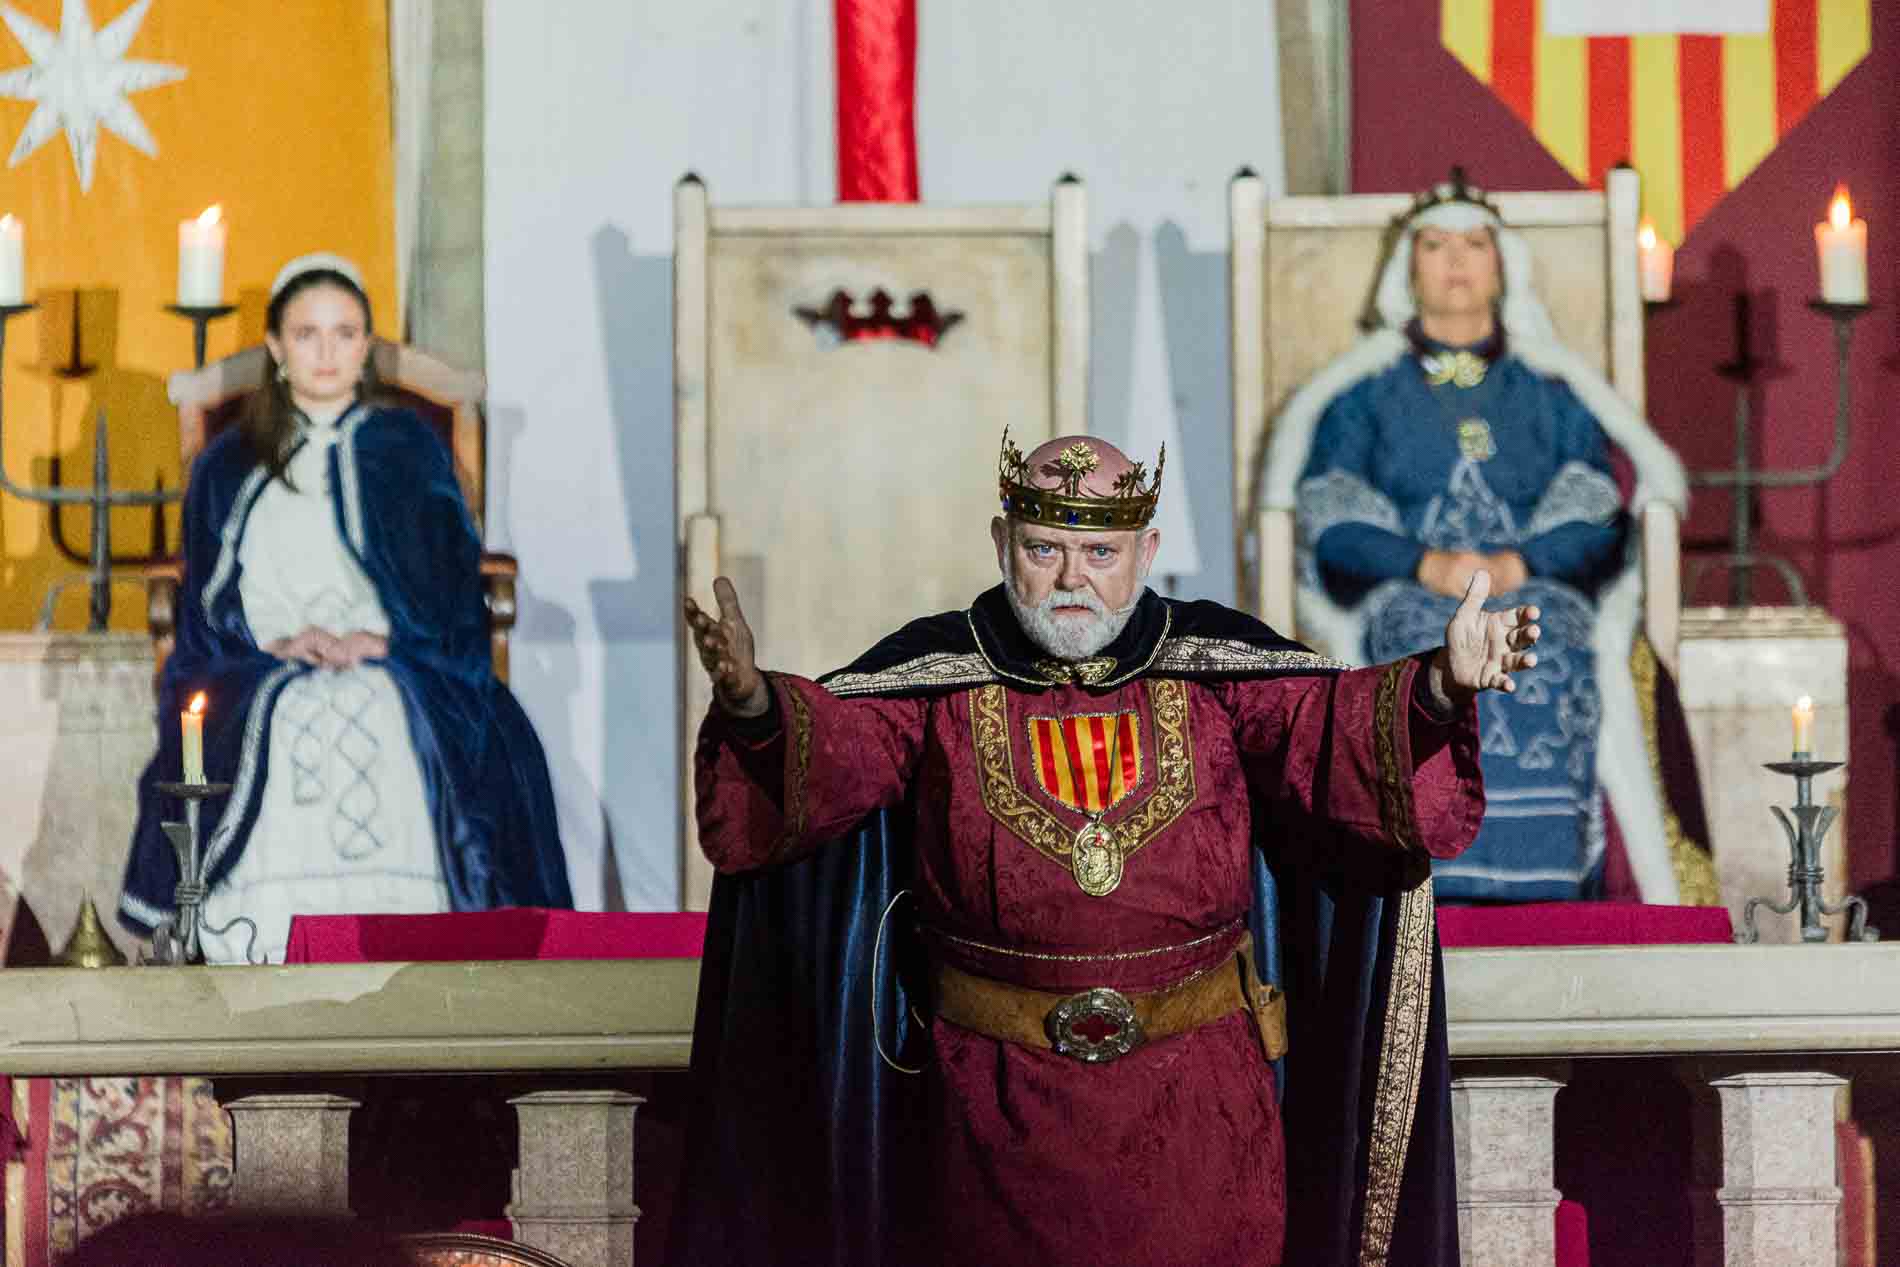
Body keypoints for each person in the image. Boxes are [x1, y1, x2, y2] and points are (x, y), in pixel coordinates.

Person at [672, 431, 1540, 1267]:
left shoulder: (1217, 670)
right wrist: (753, 705)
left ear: (1146, 548)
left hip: (1201, 1122)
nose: (1071, 579)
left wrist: (1437, 684)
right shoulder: (936, 677)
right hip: (991, 1118)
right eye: (1045, 550)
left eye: (1099, 554)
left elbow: (1335, 733)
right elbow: (837, 752)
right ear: (1002, 542)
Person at [1269, 167, 1710, 904]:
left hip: (1534, 590)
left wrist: (1520, 561)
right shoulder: (1361, 397)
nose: (1456, 261)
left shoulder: (1550, 390)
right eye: (1436, 245)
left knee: (1553, 644)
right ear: (1409, 267)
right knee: (1421, 656)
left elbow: (1600, 511)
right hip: (1409, 596)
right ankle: (1427, 886)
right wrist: (1425, 562)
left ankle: (1550, 886)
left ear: (1502, 263)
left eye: (1474, 244)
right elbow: (1331, 521)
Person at [119, 253, 571, 963]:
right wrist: (275, 641)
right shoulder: (230, 462)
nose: (327, 352)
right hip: (266, 668)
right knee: (290, 717)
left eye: (345, 333)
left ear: (366, 345)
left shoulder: (411, 450)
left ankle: (406, 963)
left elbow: (453, 586)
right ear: (275, 347)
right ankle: (267, 951)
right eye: (307, 334)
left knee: (390, 717)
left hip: (396, 663)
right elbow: (210, 603)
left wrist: (383, 639)